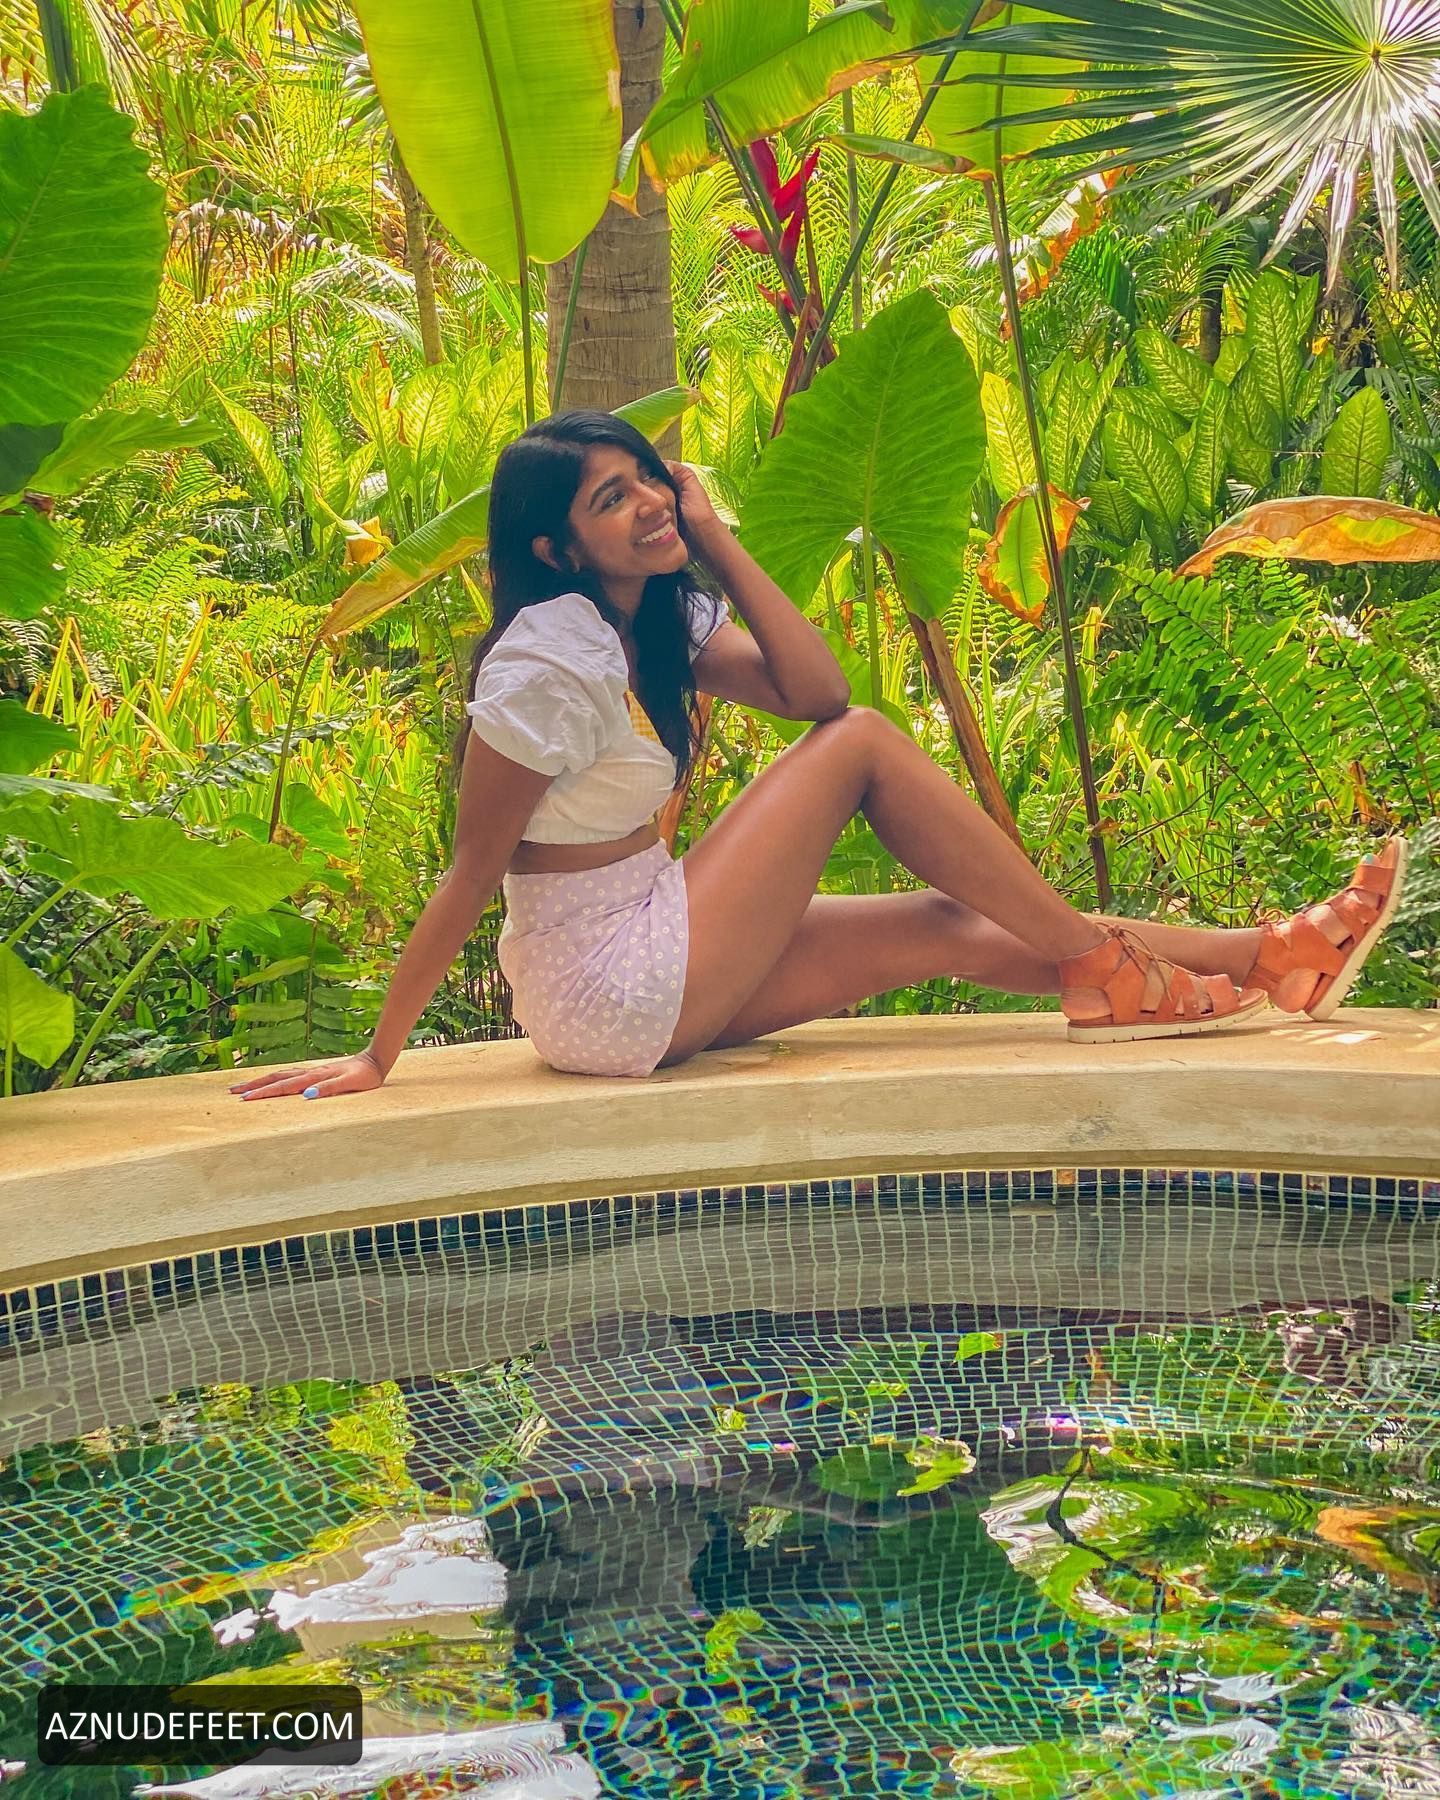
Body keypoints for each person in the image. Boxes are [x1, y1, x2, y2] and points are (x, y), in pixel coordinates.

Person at [231, 411, 1406, 1103]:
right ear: (556, 547)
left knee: (946, 925)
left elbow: (812, 686)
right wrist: (378, 1056)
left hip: (651, 941)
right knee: (861, 750)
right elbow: (472, 871)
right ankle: (1110, 970)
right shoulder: (547, 659)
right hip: (603, 982)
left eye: (648, 480)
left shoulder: (654, 620)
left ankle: (1273, 961)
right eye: (610, 500)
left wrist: (714, 536)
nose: (647, 503)